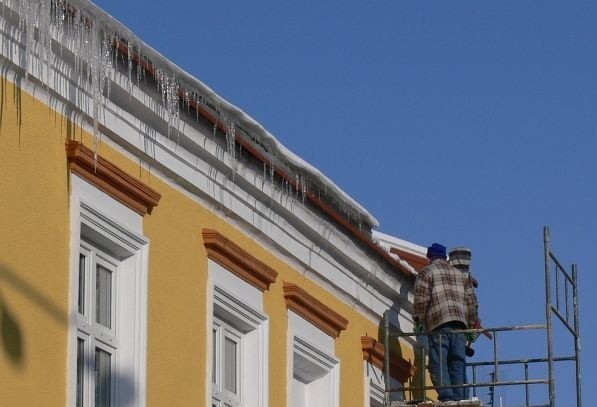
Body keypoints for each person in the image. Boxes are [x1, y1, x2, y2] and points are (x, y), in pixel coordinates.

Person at [413, 243, 479, 403]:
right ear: (444, 257)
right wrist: (471, 326)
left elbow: (421, 300)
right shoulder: (461, 275)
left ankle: (446, 397)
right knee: (457, 361)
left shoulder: (426, 273)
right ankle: (461, 399)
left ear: (429, 258)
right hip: (460, 326)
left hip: (439, 323)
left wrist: (418, 321)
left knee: (439, 361)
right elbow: (472, 302)